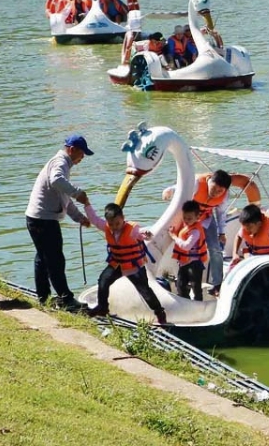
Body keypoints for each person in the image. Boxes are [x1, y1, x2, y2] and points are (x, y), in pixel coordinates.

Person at [163, 169, 257, 298]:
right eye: (214, 188)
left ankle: (217, 284)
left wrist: (221, 233)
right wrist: (169, 191)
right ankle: (183, 282)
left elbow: (220, 213)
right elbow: (179, 188)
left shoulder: (224, 196)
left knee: (216, 248)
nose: (215, 193)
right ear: (210, 180)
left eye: (220, 191)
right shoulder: (196, 183)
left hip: (206, 219)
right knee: (184, 249)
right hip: (188, 220)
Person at [23, 134, 91, 310]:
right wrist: (78, 193)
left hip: (38, 218)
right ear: (72, 149)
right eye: (82, 153)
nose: (82, 158)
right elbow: (56, 181)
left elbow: (63, 198)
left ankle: (43, 297)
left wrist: (79, 217)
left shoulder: (63, 164)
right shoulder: (60, 162)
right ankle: (66, 299)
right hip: (43, 220)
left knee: (43, 258)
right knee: (55, 259)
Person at [83, 201, 167, 325]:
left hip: (134, 266)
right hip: (117, 264)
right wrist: (87, 205)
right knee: (103, 281)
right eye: (111, 224)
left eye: (117, 223)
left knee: (145, 292)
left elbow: (142, 234)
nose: (114, 226)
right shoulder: (106, 227)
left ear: (123, 218)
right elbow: (94, 219)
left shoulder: (132, 229)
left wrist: (147, 235)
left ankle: (160, 312)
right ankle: (102, 307)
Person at [230, 204, 269, 268]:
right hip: (255, 255)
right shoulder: (246, 227)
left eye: (250, 227)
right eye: (245, 228)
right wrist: (235, 253)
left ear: (259, 224)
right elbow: (238, 236)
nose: (247, 230)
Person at [170, 200, 207, 301]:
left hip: (194, 264)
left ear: (197, 217)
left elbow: (186, 246)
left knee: (196, 287)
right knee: (181, 285)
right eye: (184, 218)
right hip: (183, 263)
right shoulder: (186, 226)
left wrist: (174, 237)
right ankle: (185, 303)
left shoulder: (195, 231)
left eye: (190, 218)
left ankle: (198, 304)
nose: (186, 220)